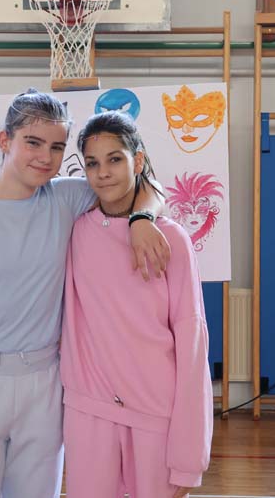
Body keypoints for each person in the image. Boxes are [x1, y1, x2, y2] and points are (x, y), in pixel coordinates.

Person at [0, 90, 168, 498]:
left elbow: (145, 183)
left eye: (56, 147)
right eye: (33, 142)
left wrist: (142, 218)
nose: (45, 157)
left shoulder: (67, 197)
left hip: (45, 386)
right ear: (5, 140)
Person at [61, 111, 213, 498]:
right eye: (92, 163)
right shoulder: (74, 230)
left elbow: (192, 343)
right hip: (89, 407)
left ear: (138, 160)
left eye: (115, 159)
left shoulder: (170, 239)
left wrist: (189, 457)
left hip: (155, 411)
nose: (103, 173)